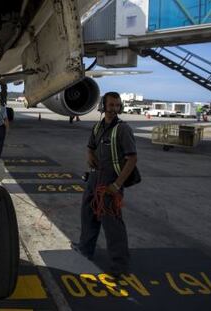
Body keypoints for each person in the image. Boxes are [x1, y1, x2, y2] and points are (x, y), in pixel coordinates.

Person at [71, 91, 138, 275]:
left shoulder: (123, 129)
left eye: (117, 105)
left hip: (110, 182)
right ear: (103, 106)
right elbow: (90, 146)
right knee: (88, 216)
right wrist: (89, 155)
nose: (114, 109)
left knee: (112, 224)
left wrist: (117, 185)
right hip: (94, 178)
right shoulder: (98, 127)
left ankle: (120, 266)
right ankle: (85, 250)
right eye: (111, 105)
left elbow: (132, 159)